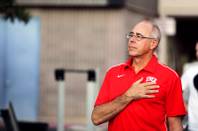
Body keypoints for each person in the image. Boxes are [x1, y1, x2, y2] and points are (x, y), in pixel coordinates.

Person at [91, 19, 186, 131]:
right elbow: (96, 118)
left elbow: (175, 125)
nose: (132, 40)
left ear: (153, 43)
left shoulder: (169, 77)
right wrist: (128, 96)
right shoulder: (113, 73)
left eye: (139, 36)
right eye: (131, 35)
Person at [181, 42, 198, 131]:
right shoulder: (190, 71)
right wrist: (186, 108)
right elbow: (177, 92)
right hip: (193, 126)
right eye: (197, 50)